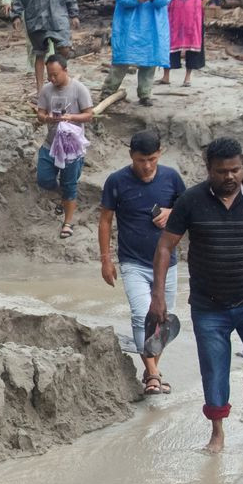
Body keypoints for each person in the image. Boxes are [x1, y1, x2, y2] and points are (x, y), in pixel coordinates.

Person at [150, 137, 243, 453]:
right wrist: (159, 296)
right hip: (208, 305)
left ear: (242, 167)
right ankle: (217, 433)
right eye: (222, 171)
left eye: (235, 170)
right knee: (214, 367)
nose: (230, 177)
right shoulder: (191, 201)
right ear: (209, 170)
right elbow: (166, 246)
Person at [98, 131, 186, 394]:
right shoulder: (116, 181)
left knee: (162, 320)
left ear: (160, 153)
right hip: (132, 261)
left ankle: (151, 374)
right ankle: (154, 374)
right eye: (140, 160)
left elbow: (188, 210)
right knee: (141, 316)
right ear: (130, 157)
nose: (146, 166)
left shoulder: (171, 178)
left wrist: (171, 212)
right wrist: (106, 260)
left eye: (151, 159)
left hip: (167, 263)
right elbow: (105, 220)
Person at [100, 0, 172, 107]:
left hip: (152, 27)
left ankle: (145, 93)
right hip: (131, 26)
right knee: (122, 60)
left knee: (149, 61)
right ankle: (108, 91)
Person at [34, 54, 93, 239]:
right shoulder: (46, 90)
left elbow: (89, 115)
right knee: (43, 178)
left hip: (71, 148)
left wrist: (71, 118)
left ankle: (67, 222)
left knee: (70, 185)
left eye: (55, 75)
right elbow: (40, 113)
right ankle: (65, 196)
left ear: (65, 70)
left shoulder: (79, 89)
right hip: (50, 144)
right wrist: (46, 118)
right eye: (49, 75)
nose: (52, 79)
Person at [12, 0, 80, 94]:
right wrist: (15, 15)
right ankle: (40, 89)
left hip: (58, 17)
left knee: (63, 48)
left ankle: (60, 81)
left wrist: (74, 14)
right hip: (36, 18)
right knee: (39, 53)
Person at [161, 0, 220, 87]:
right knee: (169, 45)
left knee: (192, 47)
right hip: (174, 18)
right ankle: (166, 76)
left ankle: (187, 77)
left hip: (193, 17)